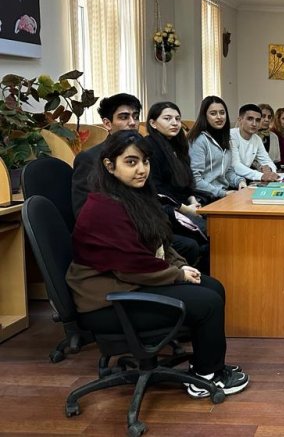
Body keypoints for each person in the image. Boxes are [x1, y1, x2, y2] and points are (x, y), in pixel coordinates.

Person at [66, 131, 249, 398]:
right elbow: (130, 265)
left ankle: (206, 365)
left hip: (128, 284)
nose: (142, 169)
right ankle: (207, 377)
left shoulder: (133, 194)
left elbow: (160, 241)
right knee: (207, 302)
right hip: (108, 301)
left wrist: (180, 266)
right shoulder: (104, 208)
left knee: (213, 287)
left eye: (145, 161)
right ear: (109, 165)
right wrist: (177, 275)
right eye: (131, 162)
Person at [144, 102, 209, 272]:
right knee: (209, 231)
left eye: (177, 119)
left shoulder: (178, 144)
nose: (174, 123)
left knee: (216, 224)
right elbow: (157, 189)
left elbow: (187, 180)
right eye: (167, 118)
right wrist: (186, 209)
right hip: (166, 209)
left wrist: (192, 200)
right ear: (153, 123)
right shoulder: (149, 147)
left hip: (185, 204)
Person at [72, 93, 141, 215]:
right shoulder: (89, 158)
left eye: (136, 117)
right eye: (124, 117)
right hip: (111, 222)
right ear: (107, 124)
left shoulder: (143, 152)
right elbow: (83, 210)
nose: (132, 122)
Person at [187, 96, 244, 202]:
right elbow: (195, 179)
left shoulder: (227, 139)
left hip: (223, 194)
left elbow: (227, 171)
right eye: (213, 113)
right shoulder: (199, 140)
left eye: (222, 113)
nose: (219, 117)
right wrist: (222, 193)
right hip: (205, 198)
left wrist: (240, 181)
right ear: (204, 116)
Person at [230, 104, 279, 183]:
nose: (254, 124)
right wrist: (261, 176)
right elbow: (235, 165)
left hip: (244, 180)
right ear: (240, 120)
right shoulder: (231, 136)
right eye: (250, 119)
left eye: (257, 120)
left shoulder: (257, 139)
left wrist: (269, 170)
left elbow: (267, 160)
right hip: (229, 182)